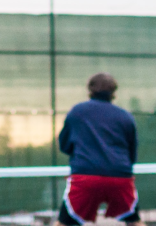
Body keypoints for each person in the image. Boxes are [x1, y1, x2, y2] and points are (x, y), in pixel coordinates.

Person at [56, 73, 142, 226]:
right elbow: (132, 153)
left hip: (85, 177)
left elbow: (64, 144)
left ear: (90, 90)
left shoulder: (77, 112)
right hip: (120, 177)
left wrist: (82, 155)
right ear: (113, 93)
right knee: (134, 222)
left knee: (63, 223)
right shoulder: (125, 117)